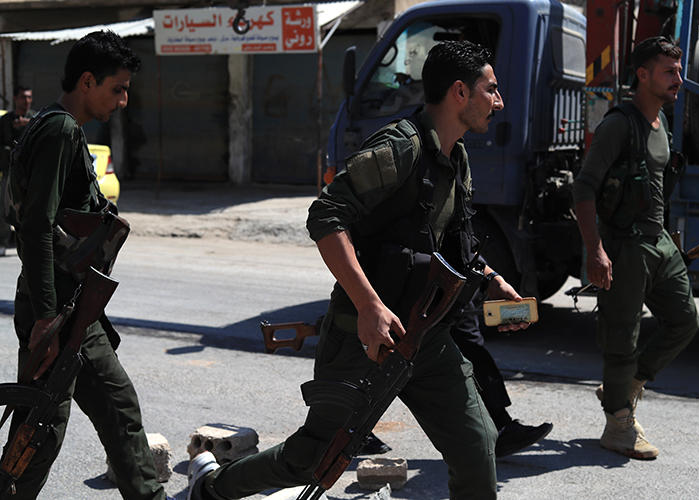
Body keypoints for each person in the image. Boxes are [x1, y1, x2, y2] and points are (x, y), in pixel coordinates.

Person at [187, 40, 529, 500]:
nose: (499, 100)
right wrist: (369, 307)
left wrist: (490, 280)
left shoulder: (456, 157)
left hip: (425, 339)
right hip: (363, 338)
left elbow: (450, 244)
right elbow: (326, 217)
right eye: (492, 89)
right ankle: (211, 488)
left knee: (477, 445)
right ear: (459, 93)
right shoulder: (400, 148)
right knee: (313, 458)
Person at [0, 31, 170, 499]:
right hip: (56, 308)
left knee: (116, 408)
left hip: (69, 306)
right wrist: (49, 318)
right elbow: (35, 226)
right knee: (40, 428)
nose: (123, 100)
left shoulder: (46, 124)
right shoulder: (59, 129)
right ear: (88, 81)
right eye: (117, 88)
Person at [573, 36, 699, 460]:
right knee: (621, 339)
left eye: (678, 71)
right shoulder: (618, 125)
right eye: (669, 71)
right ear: (643, 75)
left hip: (657, 241)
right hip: (624, 245)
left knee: (685, 320)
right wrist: (596, 251)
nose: (678, 79)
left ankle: (625, 387)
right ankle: (618, 425)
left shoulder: (661, 122)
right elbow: (584, 189)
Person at [450, 295, 552, 458]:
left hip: (459, 285)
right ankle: (499, 426)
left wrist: (493, 279)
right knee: (469, 347)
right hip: (436, 284)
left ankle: (499, 426)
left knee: (470, 347)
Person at [0, 85, 34, 256]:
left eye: (29, 97)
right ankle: (3, 242)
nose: (26, 101)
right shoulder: (5, 121)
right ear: (15, 99)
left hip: (31, 174)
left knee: (32, 210)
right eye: (23, 97)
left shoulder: (36, 119)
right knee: (5, 209)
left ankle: (29, 242)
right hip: (10, 172)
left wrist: (28, 123)